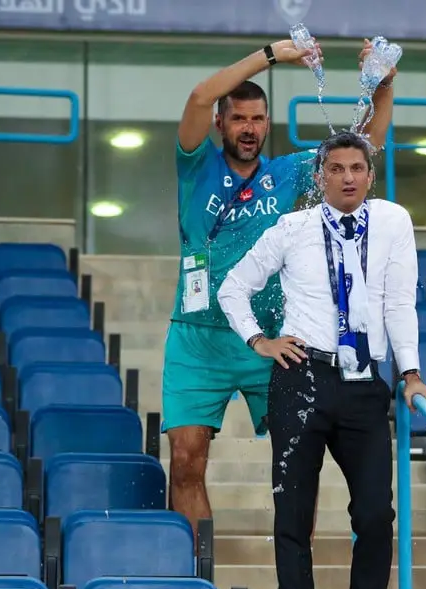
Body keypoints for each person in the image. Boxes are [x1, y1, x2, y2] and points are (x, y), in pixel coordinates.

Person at [163, 39, 396, 534]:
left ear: (268, 125)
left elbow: (362, 149)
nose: (249, 129)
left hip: (274, 340)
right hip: (197, 339)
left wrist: (384, 87)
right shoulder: (195, 166)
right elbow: (200, 97)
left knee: (297, 470)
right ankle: (196, 585)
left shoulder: (287, 173)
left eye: (258, 119)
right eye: (239, 118)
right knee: (185, 460)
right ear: (222, 125)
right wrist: (270, 56)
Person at [219, 130, 426, 589]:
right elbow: (232, 287)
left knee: (377, 515)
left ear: (370, 174)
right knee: (292, 515)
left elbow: (401, 301)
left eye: (356, 167)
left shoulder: (392, 222)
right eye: (335, 168)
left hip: (364, 384)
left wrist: (410, 372)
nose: (347, 177)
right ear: (321, 176)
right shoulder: (292, 228)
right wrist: (259, 341)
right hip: (301, 380)